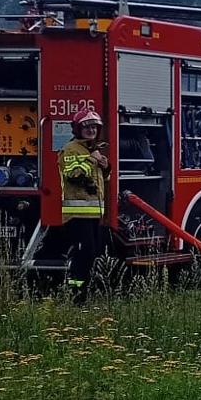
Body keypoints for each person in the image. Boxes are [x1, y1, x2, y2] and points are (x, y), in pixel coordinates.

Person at [58, 109, 110, 302]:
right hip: (77, 215)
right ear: (78, 129)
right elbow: (73, 174)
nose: (91, 130)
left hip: (93, 214)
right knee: (82, 255)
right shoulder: (71, 149)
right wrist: (92, 159)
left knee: (92, 254)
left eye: (94, 127)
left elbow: (100, 180)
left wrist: (105, 166)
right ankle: (76, 295)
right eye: (87, 127)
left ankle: (86, 292)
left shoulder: (92, 149)